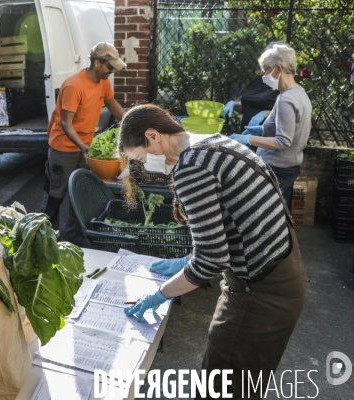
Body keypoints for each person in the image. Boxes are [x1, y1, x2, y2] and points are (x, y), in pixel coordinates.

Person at [119, 104, 306, 398]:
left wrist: (161, 294)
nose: (144, 166)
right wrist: (188, 259)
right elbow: (232, 224)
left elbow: (212, 260)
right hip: (282, 273)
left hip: (261, 294)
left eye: (141, 158)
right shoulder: (211, 142)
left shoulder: (191, 167)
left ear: (153, 135)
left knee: (220, 387)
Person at [41, 41, 125, 245]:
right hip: (64, 148)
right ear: (97, 63)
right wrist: (82, 146)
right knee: (56, 194)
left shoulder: (102, 81)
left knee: (79, 193)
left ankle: (72, 235)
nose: (112, 71)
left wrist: (129, 121)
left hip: (84, 147)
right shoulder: (73, 86)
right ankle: (41, 237)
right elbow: (65, 123)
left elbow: (111, 103)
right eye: (110, 67)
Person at [230, 43, 312, 209]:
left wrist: (248, 139)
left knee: (268, 218)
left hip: (277, 169)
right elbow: (289, 128)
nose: (263, 73)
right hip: (288, 166)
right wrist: (261, 129)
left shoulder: (286, 100)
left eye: (266, 69)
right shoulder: (298, 93)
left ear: (278, 69)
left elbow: (283, 142)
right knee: (281, 217)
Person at [221, 42, 285, 132]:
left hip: (267, 138)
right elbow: (250, 106)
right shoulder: (259, 80)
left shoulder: (286, 86)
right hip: (247, 134)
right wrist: (234, 104)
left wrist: (266, 113)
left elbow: (287, 115)